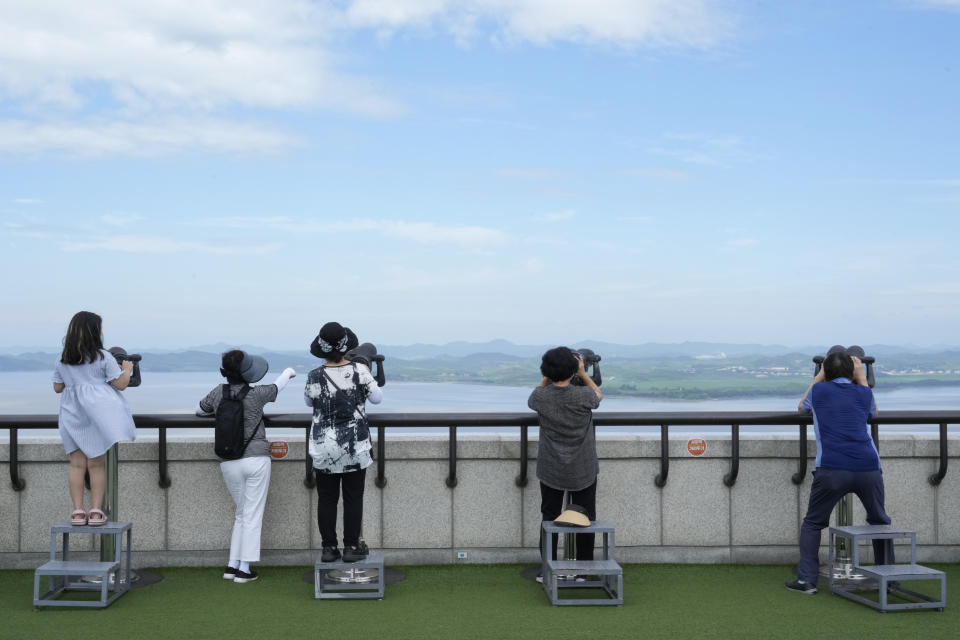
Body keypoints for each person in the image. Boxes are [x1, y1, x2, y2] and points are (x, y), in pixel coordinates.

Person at [785, 350, 893, 594]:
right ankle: (889, 577)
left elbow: (802, 407)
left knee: (813, 523)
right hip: (868, 466)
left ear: (826, 371)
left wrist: (819, 376)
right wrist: (862, 378)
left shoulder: (820, 390)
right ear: (852, 371)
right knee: (880, 521)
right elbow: (872, 412)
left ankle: (807, 581)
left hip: (832, 468)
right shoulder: (863, 392)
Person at [197, 350, 296, 584]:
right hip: (256, 459)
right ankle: (244, 569)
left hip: (229, 461)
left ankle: (232, 564)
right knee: (251, 514)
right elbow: (277, 386)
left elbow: (200, 410)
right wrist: (289, 372)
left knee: (241, 513)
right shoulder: (257, 394)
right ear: (248, 372)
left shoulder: (217, 393)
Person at [305, 322, 382, 563]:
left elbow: (309, 402)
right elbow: (377, 398)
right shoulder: (360, 371)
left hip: (324, 446)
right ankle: (350, 547)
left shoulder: (315, 375)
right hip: (355, 446)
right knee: (353, 497)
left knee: (327, 499)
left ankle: (329, 548)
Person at [53, 311, 137, 527]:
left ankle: (78, 512)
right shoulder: (103, 357)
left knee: (77, 465)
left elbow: (57, 387)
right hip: (96, 416)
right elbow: (120, 384)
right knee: (96, 465)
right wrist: (126, 369)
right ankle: (97, 511)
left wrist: (75, 380)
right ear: (94, 332)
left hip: (72, 416)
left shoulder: (63, 360)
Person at [528, 347, 603, 581]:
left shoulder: (541, 397)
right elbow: (598, 396)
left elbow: (533, 397)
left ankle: (548, 569)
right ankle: (583, 570)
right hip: (583, 466)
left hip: (551, 466)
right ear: (573, 370)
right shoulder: (583, 397)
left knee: (549, 516)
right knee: (585, 517)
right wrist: (582, 372)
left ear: (546, 370)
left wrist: (548, 375)